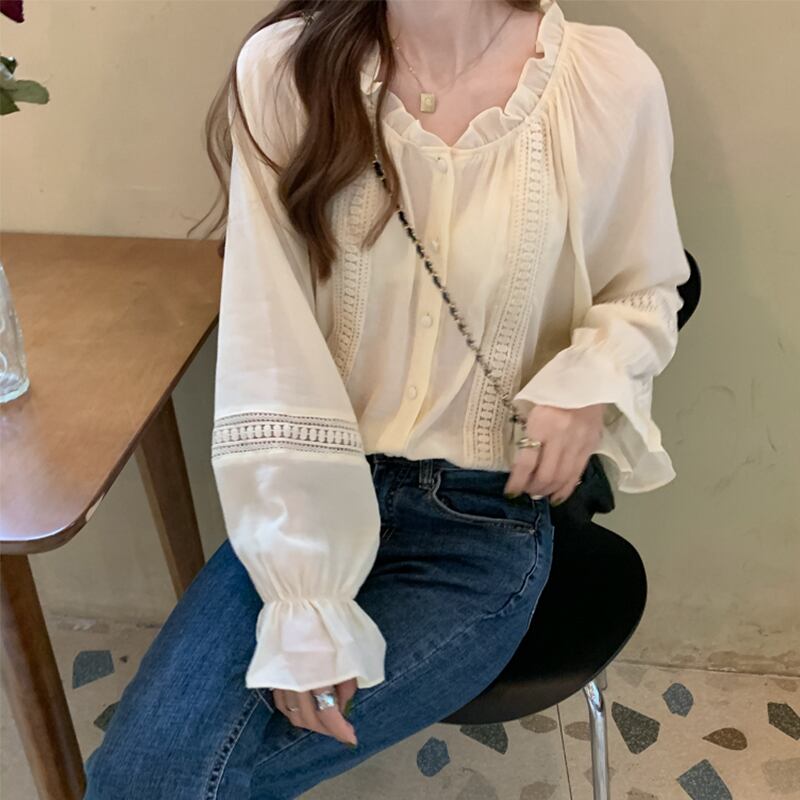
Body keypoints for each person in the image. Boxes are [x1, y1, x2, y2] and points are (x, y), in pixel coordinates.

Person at [83, 0, 689, 797]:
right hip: (306, 492)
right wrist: (305, 594)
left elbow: (644, 291)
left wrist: (586, 386)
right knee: (141, 776)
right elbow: (270, 344)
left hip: (480, 524)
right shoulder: (288, 71)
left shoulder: (607, 83)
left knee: (179, 785)